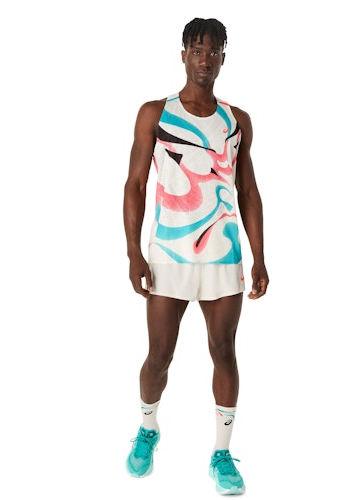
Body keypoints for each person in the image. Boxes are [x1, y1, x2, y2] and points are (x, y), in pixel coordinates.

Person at [123, 17, 269, 495]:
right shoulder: (155, 114)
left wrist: (260, 256)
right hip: (169, 253)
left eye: (214, 51)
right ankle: (148, 428)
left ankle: (221, 454)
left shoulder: (236, 120)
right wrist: (133, 253)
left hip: (224, 254)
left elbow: (248, 191)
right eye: (198, 50)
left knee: (223, 351)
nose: (205, 59)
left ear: (224, 58)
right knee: (159, 355)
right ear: (183, 54)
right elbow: (135, 185)